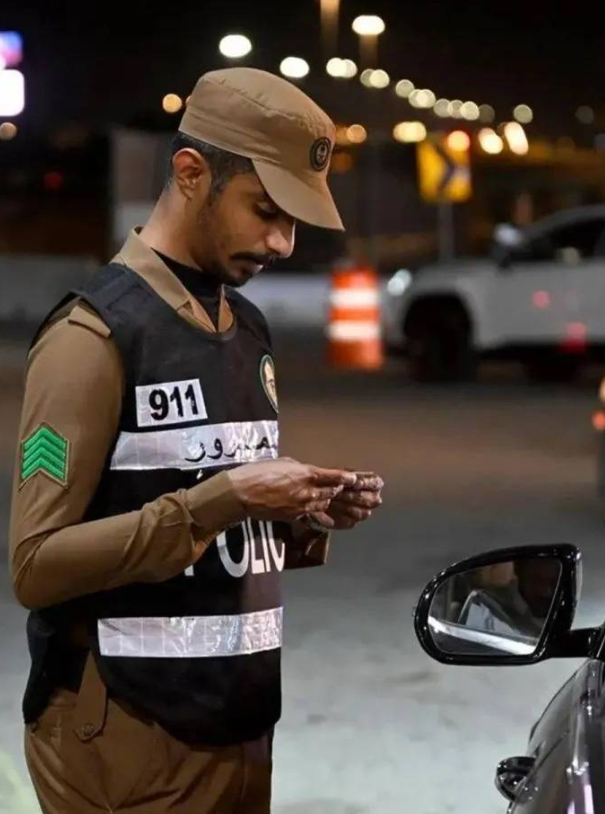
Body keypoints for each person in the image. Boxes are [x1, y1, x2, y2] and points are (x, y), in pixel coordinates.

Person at [8, 67, 384, 812]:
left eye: (294, 221)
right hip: (127, 735)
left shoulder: (246, 329)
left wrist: (298, 514)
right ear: (190, 173)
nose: (282, 242)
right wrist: (221, 499)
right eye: (265, 211)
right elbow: (35, 566)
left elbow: (203, 533)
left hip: (237, 723)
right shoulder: (91, 336)